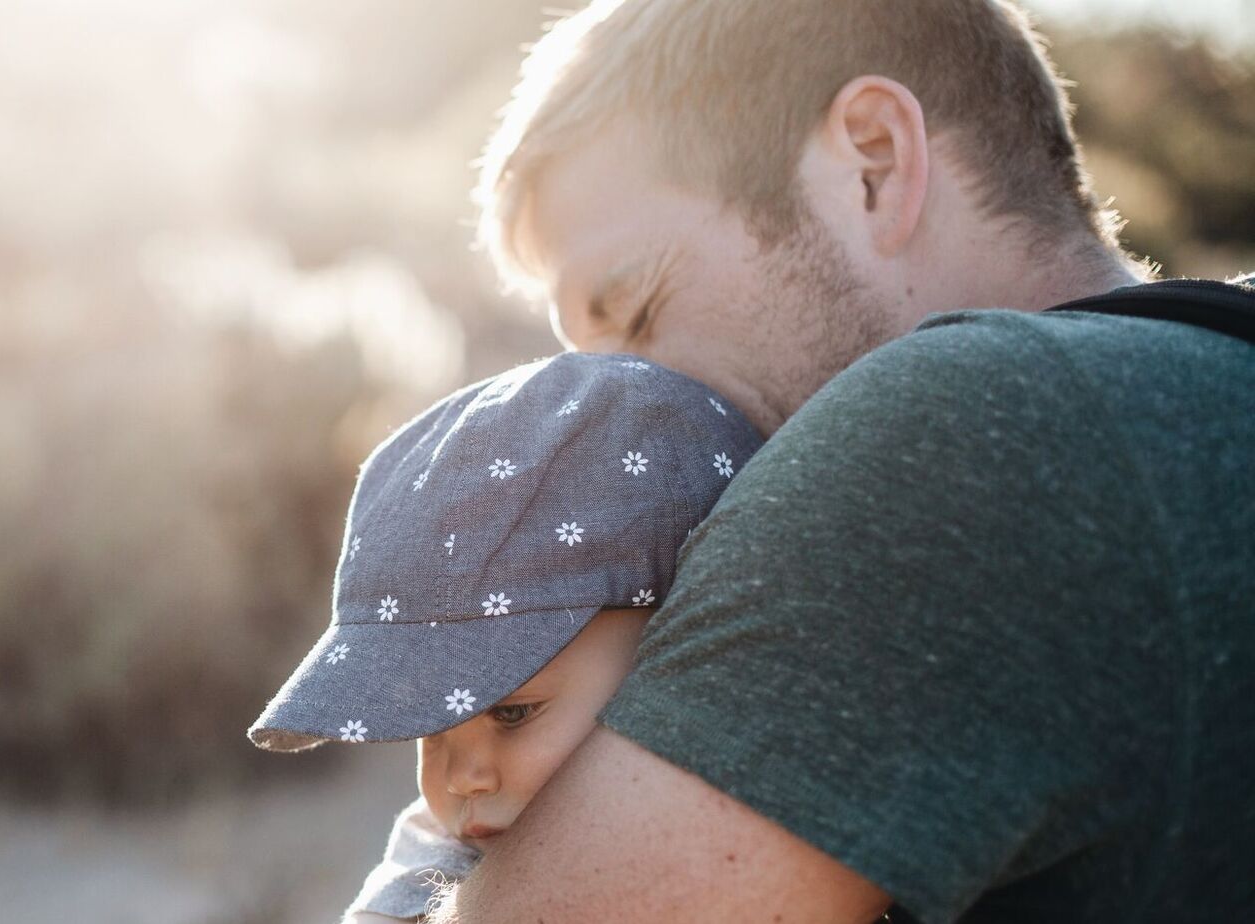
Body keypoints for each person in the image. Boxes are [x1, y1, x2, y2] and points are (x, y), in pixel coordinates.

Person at [422, 1, 1255, 922]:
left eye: (639, 310)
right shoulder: (1209, 380)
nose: (616, 415)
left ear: (874, 161)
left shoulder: (954, 434)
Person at [245, 352, 762, 921]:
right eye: (431, 726)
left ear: (677, 639)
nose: (461, 779)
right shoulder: (429, 874)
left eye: (513, 713)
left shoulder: (772, 826)